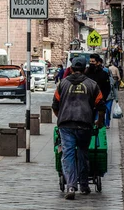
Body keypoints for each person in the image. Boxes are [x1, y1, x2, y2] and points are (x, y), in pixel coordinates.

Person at [52, 57, 106, 200]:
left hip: (66, 125)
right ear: (85, 69)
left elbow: (55, 105)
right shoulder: (92, 85)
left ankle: (70, 185)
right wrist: (99, 122)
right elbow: (101, 106)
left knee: (68, 154)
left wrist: (61, 117)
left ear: (71, 69)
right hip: (85, 124)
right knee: (83, 153)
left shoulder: (62, 84)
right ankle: (84, 185)